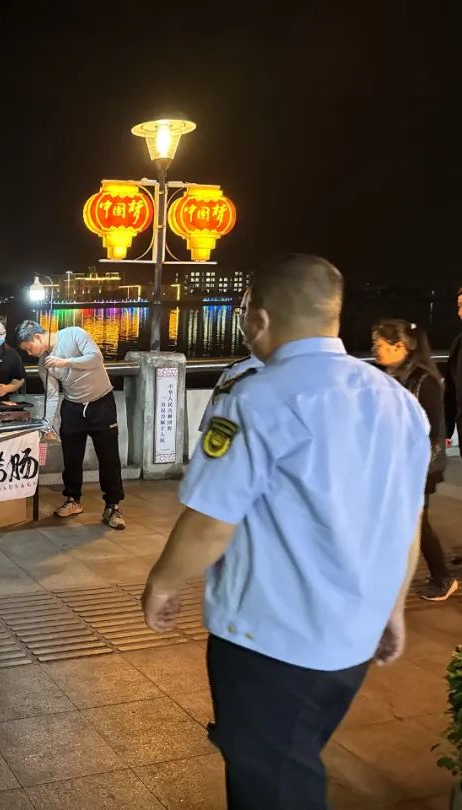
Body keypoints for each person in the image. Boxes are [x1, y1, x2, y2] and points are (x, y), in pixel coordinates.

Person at [140, 255, 430, 810]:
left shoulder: (257, 399)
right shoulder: (398, 402)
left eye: (244, 312)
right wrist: (393, 607)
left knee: (272, 785)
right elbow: (406, 519)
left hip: (271, 642)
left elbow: (211, 522)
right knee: (294, 755)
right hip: (354, 641)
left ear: (259, 319)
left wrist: (163, 583)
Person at [372, 319, 457, 601]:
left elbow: (432, 433)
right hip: (398, 465)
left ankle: (443, 577)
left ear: (399, 347)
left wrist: (414, 469)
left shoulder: (423, 380)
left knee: (416, 523)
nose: (375, 350)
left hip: (420, 468)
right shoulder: (393, 377)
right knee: (401, 522)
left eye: (379, 344)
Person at [15, 319, 125, 530]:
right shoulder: (44, 364)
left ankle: (113, 506)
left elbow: (96, 358)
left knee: (109, 457)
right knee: (72, 457)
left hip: (101, 402)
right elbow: (52, 395)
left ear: (37, 337)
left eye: (29, 348)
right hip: (72, 407)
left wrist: (64, 362)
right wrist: (47, 424)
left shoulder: (74, 334)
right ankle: (73, 499)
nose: (29, 353)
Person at [198, 288, 264, 433]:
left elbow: (213, 438)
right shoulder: (307, 370)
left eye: (244, 310)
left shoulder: (237, 375)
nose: (241, 317)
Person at [445, 285, 462, 450]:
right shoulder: (458, 343)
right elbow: (451, 389)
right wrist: (447, 429)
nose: (460, 313)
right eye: (459, 306)